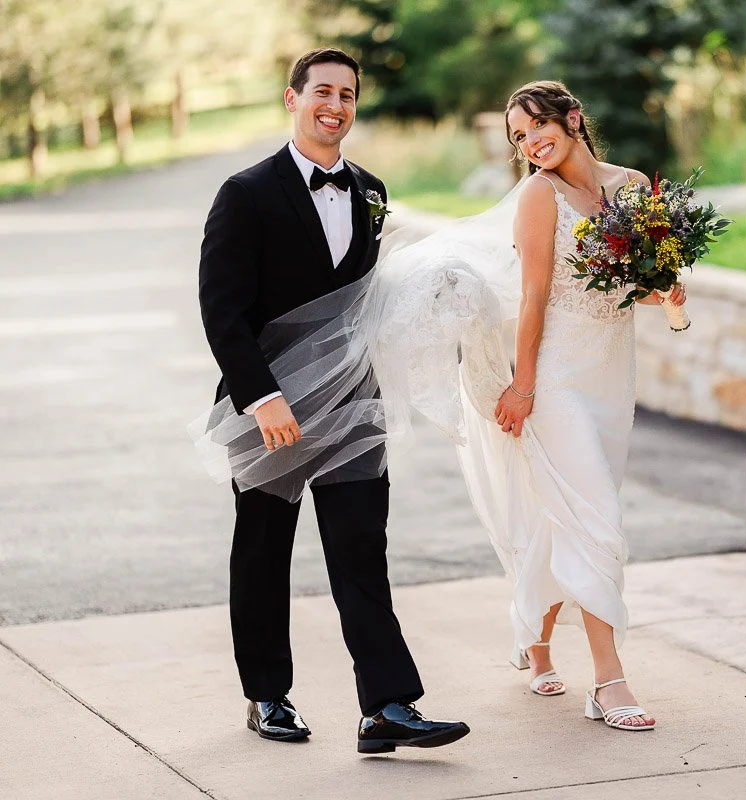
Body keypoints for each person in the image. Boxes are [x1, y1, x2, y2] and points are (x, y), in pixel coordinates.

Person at [197, 47, 469, 754]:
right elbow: (221, 309)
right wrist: (262, 396)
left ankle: (387, 706)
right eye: (323, 91)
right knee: (264, 551)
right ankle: (266, 695)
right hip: (273, 408)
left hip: (352, 403)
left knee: (361, 548)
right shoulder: (244, 193)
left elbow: (366, 298)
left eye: (347, 94)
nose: (335, 105)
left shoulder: (371, 191)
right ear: (292, 98)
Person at [457, 81, 687, 731]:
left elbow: (642, 286)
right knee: (596, 521)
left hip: (611, 373)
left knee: (564, 516)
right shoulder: (538, 196)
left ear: (573, 119)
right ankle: (609, 683)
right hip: (557, 376)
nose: (531, 142)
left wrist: (668, 293)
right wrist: (523, 385)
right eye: (519, 136)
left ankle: (534, 641)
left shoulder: (633, 187)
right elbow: (534, 297)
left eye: (538, 126)